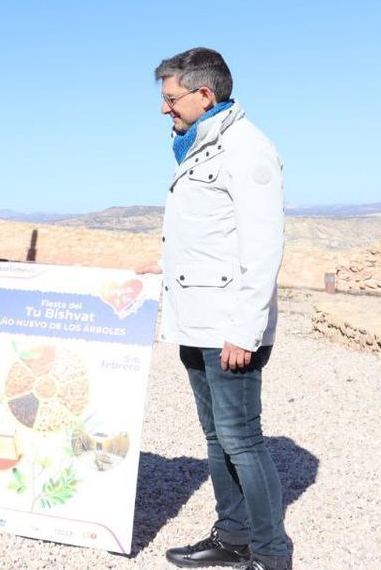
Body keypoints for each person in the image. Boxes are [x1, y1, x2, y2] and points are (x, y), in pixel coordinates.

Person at [139, 48, 292, 570]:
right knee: (215, 437)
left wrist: (245, 333)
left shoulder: (248, 150)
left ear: (205, 96)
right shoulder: (198, 147)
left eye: (171, 98)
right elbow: (204, 242)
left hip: (229, 328)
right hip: (195, 321)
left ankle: (271, 556)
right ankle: (233, 538)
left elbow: (262, 246)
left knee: (243, 441)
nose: (164, 110)